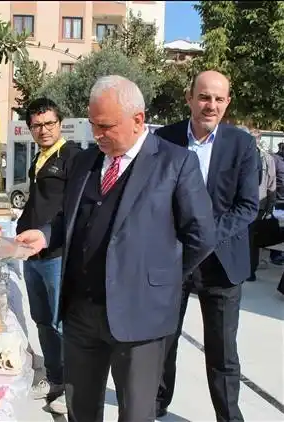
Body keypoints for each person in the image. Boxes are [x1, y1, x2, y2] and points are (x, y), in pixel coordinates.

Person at [17, 75, 215, 421]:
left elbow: (201, 236)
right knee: (81, 410)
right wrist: (47, 235)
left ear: (138, 119)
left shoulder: (174, 164)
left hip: (140, 318)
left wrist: (160, 278)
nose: (97, 135)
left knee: (136, 413)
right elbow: (71, 219)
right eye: (94, 125)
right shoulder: (85, 162)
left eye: (106, 126)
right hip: (80, 315)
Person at [155, 71, 258, 421]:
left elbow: (247, 207)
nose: (210, 105)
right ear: (189, 97)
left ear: (227, 102)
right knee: (163, 342)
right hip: (174, 261)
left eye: (218, 98)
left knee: (222, 352)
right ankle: (157, 402)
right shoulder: (165, 139)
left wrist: (205, 237)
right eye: (203, 97)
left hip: (222, 264)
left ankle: (229, 416)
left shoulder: (241, 145)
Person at [15, 97, 81, 414]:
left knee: (60, 323)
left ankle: (72, 387)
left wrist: (47, 235)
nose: (43, 130)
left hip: (57, 254)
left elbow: (72, 210)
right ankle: (54, 378)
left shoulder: (73, 157)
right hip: (31, 255)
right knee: (41, 320)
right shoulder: (39, 159)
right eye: (37, 125)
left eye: (49, 123)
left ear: (60, 123)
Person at [248, 128, 276, 281]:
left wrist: (269, 207)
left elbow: (272, 185)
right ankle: (248, 271)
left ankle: (250, 271)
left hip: (256, 205)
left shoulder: (267, 158)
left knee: (252, 241)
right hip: (252, 204)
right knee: (249, 240)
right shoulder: (265, 158)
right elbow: (272, 185)